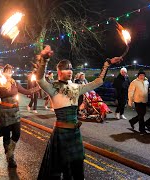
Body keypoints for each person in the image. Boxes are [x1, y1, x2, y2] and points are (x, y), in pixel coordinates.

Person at [36, 45, 122, 179]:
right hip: (60, 134)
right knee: (57, 169)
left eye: (70, 68)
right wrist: (44, 60)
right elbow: (40, 79)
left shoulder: (77, 87)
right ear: (59, 71)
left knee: (77, 168)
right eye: (65, 68)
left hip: (75, 133)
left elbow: (98, 81)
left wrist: (107, 64)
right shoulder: (53, 88)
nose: (69, 71)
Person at [0, 64, 39, 168]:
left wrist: (38, 87)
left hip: (15, 112)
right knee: (6, 135)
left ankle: (10, 152)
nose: (8, 73)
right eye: (6, 71)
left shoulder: (15, 83)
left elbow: (27, 91)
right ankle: (10, 157)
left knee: (17, 133)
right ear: (3, 72)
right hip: (4, 112)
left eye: (10, 71)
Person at [128, 69, 149, 134]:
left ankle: (132, 121)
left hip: (144, 100)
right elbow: (131, 92)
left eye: (143, 75)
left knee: (142, 114)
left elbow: (147, 90)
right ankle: (142, 129)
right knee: (141, 115)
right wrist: (130, 100)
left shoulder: (146, 82)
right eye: (140, 75)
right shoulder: (134, 82)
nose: (141, 76)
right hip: (137, 100)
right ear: (138, 75)